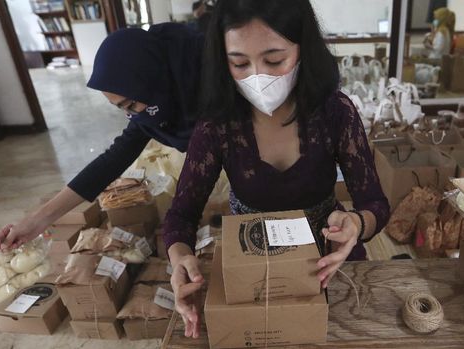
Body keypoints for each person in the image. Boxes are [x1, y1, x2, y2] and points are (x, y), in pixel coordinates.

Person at [164, 0, 390, 339]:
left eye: (274, 60)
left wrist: (356, 224)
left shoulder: (334, 112)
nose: (258, 77)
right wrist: (180, 257)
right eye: (239, 63)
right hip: (252, 262)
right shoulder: (219, 124)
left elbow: (375, 204)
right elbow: (180, 215)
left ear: (303, 50)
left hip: (326, 259)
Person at [0, 23, 204, 251]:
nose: (131, 115)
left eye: (131, 104)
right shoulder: (152, 105)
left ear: (152, 78)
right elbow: (113, 159)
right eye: (121, 108)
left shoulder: (211, 75)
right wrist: (37, 220)